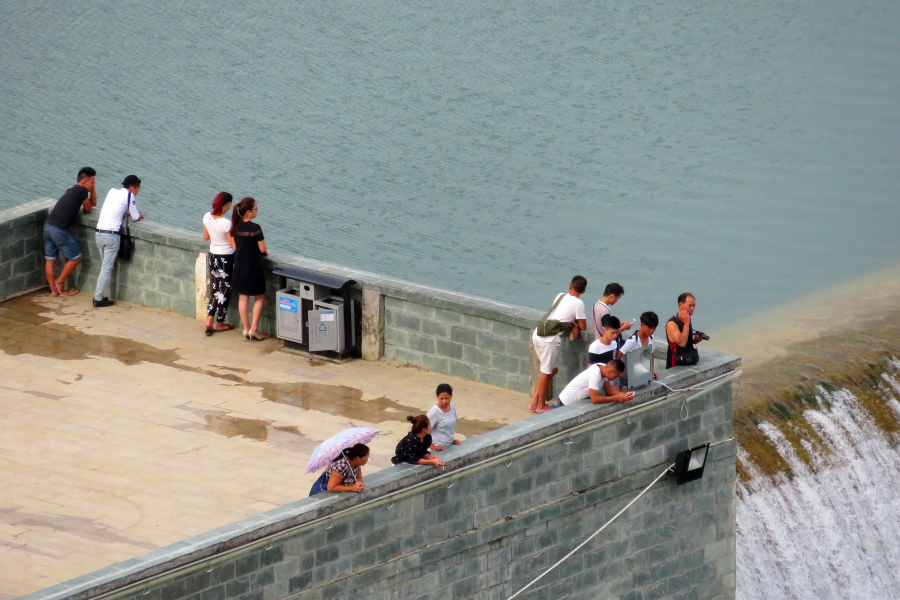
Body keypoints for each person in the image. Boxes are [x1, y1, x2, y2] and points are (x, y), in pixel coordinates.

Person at [529, 276, 588, 413]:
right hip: (549, 340)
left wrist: (572, 324)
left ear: (569, 286)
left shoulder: (560, 296)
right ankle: (541, 406)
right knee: (546, 373)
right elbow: (583, 326)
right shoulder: (579, 303)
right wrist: (576, 326)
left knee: (550, 371)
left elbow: (560, 315)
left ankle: (534, 402)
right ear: (583, 291)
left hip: (538, 334)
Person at [44, 167, 97, 297]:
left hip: (48, 226)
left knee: (50, 260)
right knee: (76, 258)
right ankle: (60, 282)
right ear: (84, 182)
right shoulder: (82, 191)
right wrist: (90, 190)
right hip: (59, 229)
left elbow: (92, 203)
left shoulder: (72, 190)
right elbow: (89, 209)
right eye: (92, 182)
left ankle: (53, 291)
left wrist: (92, 187)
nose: (92, 185)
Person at [93, 175, 144, 308]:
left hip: (99, 233)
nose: (137, 192)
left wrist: (124, 214)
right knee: (106, 268)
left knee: (104, 267)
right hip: (111, 236)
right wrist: (140, 216)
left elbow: (113, 211)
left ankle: (100, 295)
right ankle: (98, 298)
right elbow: (135, 217)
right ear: (133, 187)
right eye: (138, 189)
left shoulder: (111, 192)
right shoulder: (129, 196)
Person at [228, 197, 267, 341]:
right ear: (249, 212)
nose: (257, 211)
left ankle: (245, 329)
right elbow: (262, 248)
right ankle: (254, 329)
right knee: (259, 297)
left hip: (239, 267)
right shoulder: (255, 228)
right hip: (254, 267)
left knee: (243, 297)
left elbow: (234, 246)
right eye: (256, 208)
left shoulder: (235, 227)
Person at [202, 192, 236, 336]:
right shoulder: (226, 223)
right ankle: (220, 322)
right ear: (227, 204)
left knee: (215, 288)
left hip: (213, 256)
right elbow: (233, 245)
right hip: (226, 258)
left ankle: (210, 319)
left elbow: (206, 237)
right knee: (225, 291)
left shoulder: (206, 216)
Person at [557, 359, 635, 405]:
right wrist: (616, 398)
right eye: (615, 376)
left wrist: (624, 396)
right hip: (566, 402)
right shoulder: (595, 375)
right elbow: (594, 399)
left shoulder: (604, 368)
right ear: (609, 372)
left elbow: (609, 390)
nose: (615, 379)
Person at [666, 293, 705, 368]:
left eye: (694, 306)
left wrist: (694, 340)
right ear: (680, 304)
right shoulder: (672, 323)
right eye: (690, 305)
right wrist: (686, 323)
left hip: (689, 359)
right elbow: (682, 343)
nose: (692, 308)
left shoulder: (687, 319)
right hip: (676, 364)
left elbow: (686, 339)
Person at [617, 311, 659, 379]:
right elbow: (619, 355)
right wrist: (619, 373)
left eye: (654, 328)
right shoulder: (632, 341)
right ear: (641, 325)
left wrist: (651, 370)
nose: (651, 331)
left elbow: (651, 355)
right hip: (632, 373)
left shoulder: (651, 338)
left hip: (643, 369)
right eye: (649, 328)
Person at [427, 383, 460, 451]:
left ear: (451, 396)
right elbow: (423, 432)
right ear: (437, 397)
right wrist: (433, 447)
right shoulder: (434, 412)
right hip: (437, 449)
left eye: (447, 398)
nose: (444, 401)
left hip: (448, 447)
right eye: (441, 399)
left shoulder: (452, 406)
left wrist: (451, 440)